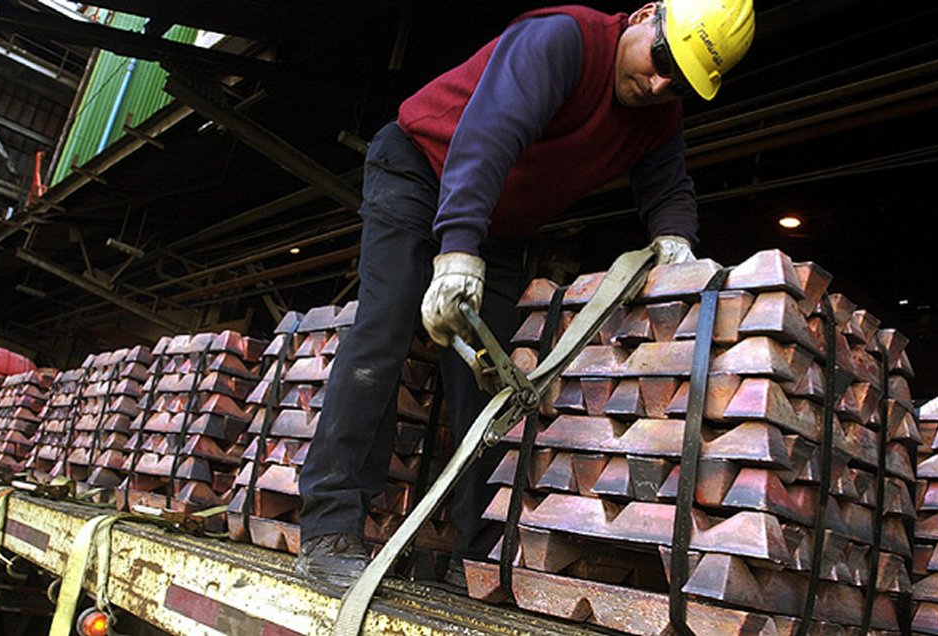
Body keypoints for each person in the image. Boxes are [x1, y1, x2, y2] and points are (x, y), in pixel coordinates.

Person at [296, 0, 756, 587]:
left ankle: (479, 552)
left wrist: (675, 245)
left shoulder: (657, 115)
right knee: (383, 334)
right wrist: (458, 249)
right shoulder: (563, 41)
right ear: (644, 16)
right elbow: (489, 135)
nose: (661, 83)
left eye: (682, 83)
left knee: (490, 387)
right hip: (423, 169)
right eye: (663, 59)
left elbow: (668, 186)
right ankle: (329, 527)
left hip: (503, 226)